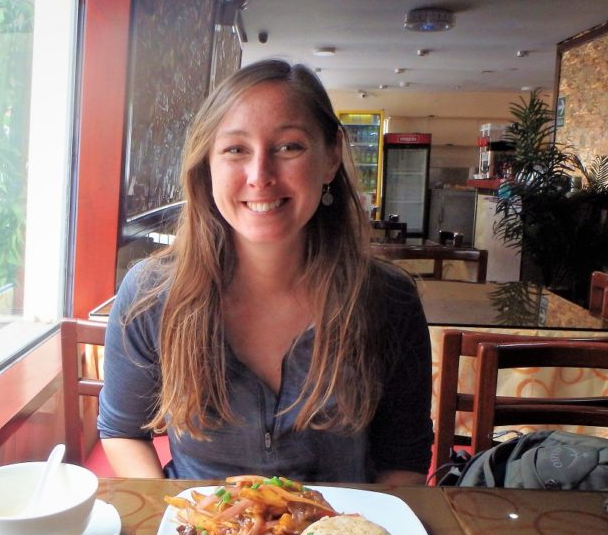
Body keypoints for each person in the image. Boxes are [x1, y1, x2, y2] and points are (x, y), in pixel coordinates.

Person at [97, 59, 433, 484]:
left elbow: (403, 460)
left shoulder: (387, 300)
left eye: (289, 147)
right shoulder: (151, 293)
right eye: (236, 149)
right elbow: (122, 431)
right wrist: (177, 520)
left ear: (330, 158)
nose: (260, 176)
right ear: (207, 164)